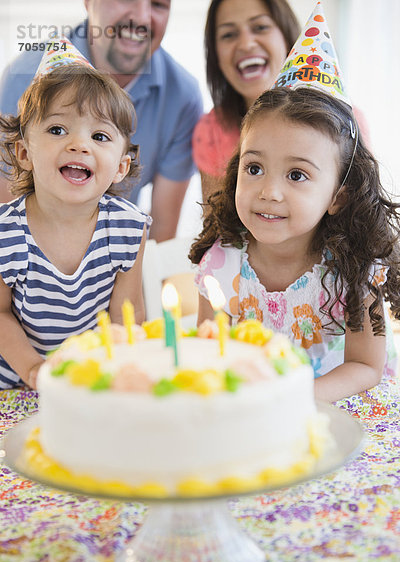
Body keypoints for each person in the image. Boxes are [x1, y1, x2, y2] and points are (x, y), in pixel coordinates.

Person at [190, 84, 400, 403]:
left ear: (337, 197)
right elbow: (209, 353)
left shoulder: (357, 269)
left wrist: (291, 400)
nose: (269, 192)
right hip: (259, 409)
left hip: (345, 406)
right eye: (255, 168)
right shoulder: (222, 264)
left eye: (296, 175)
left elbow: (366, 366)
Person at [0, 51, 152, 390]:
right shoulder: (7, 234)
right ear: (24, 153)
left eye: (99, 137)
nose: (79, 145)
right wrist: (34, 370)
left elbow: (126, 314)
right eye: (57, 129)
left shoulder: (128, 228)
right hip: (15, 382)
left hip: (90, 379)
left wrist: (124, 369)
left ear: (120, 167)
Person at [0, 0, 203, 241]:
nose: (141, 17)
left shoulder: (182, 96)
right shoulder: (24, 77)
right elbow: (10, 219)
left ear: (123, 167)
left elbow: (161, 234)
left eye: (158, 4)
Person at [192, 0, 370, 204]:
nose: (246, 44)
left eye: (260, 27)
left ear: (286, 37)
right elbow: (216, 225)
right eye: (228, 34)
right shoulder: (212, 131)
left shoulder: (346, 126)